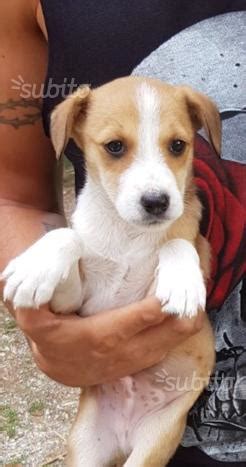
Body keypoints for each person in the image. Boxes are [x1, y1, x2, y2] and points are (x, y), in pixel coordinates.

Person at [0, 1, 245, 465]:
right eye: (116, 148)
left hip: (179, 390)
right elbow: (15, 198)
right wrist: (54, 258)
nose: (154, 185)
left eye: (176, 147)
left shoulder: (182, 229)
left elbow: (186, 248)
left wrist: (181, 254)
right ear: (71, 132)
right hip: (114, 396)